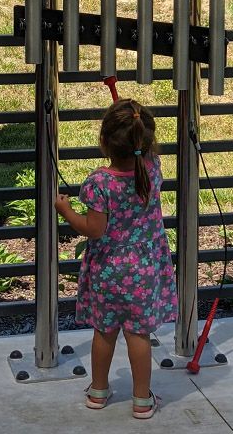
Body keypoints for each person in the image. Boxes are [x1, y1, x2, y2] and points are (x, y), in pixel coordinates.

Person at [55, 98, 177, 419]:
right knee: (139, 334)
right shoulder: (152, 167)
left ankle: (97, 392)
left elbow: (93, 229)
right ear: (146, 141)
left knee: (104, 331)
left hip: (108, 271)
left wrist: (66, 210)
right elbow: (144, 147)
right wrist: (135, 125)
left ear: (104, 142)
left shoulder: (100, 183)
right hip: (145, 269)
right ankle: (141, 401)